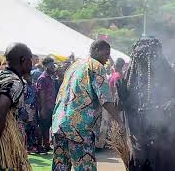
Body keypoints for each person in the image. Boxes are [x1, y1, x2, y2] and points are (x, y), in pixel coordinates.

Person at [117, 37, 175, 171]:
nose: (142, 63)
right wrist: (122, 98)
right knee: (139, 163)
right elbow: (122, 107)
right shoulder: (131, 75)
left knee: (161, 163)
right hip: (138, 133)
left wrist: (171, 104)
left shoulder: (166, 73)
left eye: (147, 59)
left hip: (163, 132)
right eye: (138, 59)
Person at [51, 40, 121, 171]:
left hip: (59, 124)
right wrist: (120, 121)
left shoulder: (75, 65)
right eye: (106, 54)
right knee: (85, 167)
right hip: (80, 128)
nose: (107, 59)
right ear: (95, 50)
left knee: (60, 166)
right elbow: (105, 99)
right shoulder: (96, 66)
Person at [0, 43, 32, 169]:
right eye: (30, 59)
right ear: (23, 60)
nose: (32, 63)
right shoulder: (14, 82)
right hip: (3, 149)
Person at [36, 57, 56, 153]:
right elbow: (42, 94)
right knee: (43, 127)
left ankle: (47, 145)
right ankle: (41, 146)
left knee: (47, 127)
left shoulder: (50, 78)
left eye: (53, 65)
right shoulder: (42, 78)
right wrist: (43, 109)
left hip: (50, 107)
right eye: (51, 65)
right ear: (45, 66)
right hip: (45, 107)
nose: (53, 67)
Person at [23, 74, 38, 153]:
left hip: (32, 108)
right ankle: (26, 147)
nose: (30, 79)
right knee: (25, 128)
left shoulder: (32, 86)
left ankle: (30, 146)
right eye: (28, 77)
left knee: (31, 128)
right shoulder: (24, 86)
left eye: (30, 77)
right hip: (26, 108)